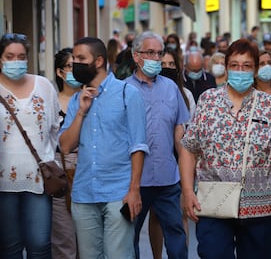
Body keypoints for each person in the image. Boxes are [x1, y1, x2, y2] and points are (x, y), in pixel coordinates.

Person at [180, 38, 271, 259]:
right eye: (234, 65)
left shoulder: (268, 105)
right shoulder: (208, 101)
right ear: (226, 68)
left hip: (262, 207)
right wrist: (187, 191)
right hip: (215, 204)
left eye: (246, 66)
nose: (240, 71)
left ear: (254, 70)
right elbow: (188, 148)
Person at [59, 37, 148, 258]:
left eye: (81, 59)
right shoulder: (76, 100)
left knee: (119, 255)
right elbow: (66, 146)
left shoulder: (128, 93)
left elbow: (138, 145)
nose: (76, 64)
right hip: (84, 193)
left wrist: (134, 190)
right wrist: (81, 111)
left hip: (119, 192)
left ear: (98, 61)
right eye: (73, 59)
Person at [125, 31, 189, 259]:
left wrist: (186, 177)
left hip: (167, 178)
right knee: (127, 236)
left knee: (176, 235)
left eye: (158, 53)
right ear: (136, 56)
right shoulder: (123, 89)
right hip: (134, 181)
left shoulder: (171, 88)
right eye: (149, 53)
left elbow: (179, 133)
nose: (155, 58)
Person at [0, 33, 60, 258]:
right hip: (2, 185)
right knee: (9, 248)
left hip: (38, 180)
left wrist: (45, 156)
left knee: (40, 244)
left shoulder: (44, 86)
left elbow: (54, 128)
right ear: (0, 59)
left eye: (21, 56)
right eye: (9, 56)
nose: (16, 61)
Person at [148, 47, 196, 259]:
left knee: (179, 217)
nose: (166, 68)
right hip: (153, 161)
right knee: (156, 216)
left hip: (179, 160)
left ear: (178, 68)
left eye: (171, 65)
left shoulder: (185, 94)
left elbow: (190, 127)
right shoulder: (146, 90)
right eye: (163, 64)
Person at [51, 48, 81, 259]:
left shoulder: (90, 98)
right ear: (60, 72)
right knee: (64, 239)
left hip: (89, 171)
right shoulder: (49, 102)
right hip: (61, 174)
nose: (74, 71)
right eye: (70, 66)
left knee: (89, 240)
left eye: (77, 65)